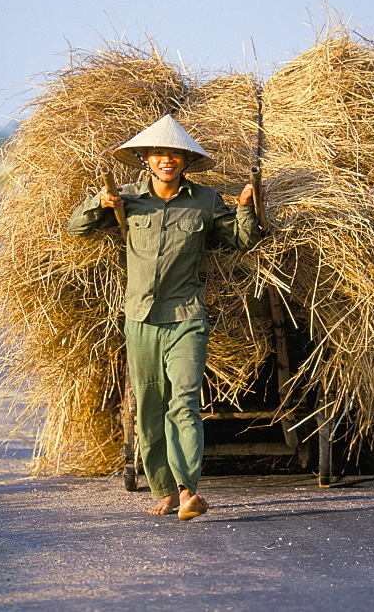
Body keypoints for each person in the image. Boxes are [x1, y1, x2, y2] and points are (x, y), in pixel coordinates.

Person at [67, 115, 262, 520]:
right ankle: (166, 490)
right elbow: (76, 228)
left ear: (185, 160)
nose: (166, 160)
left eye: (174, 153)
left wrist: (245, 207)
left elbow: (244, 240)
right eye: (158, 153)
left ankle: (190, 492)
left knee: (184, 402)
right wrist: (98, 204)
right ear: (145, 159)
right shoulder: (127, 198)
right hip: (139, 318)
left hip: (187, 317)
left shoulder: (205, 201)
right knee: (150, 406)